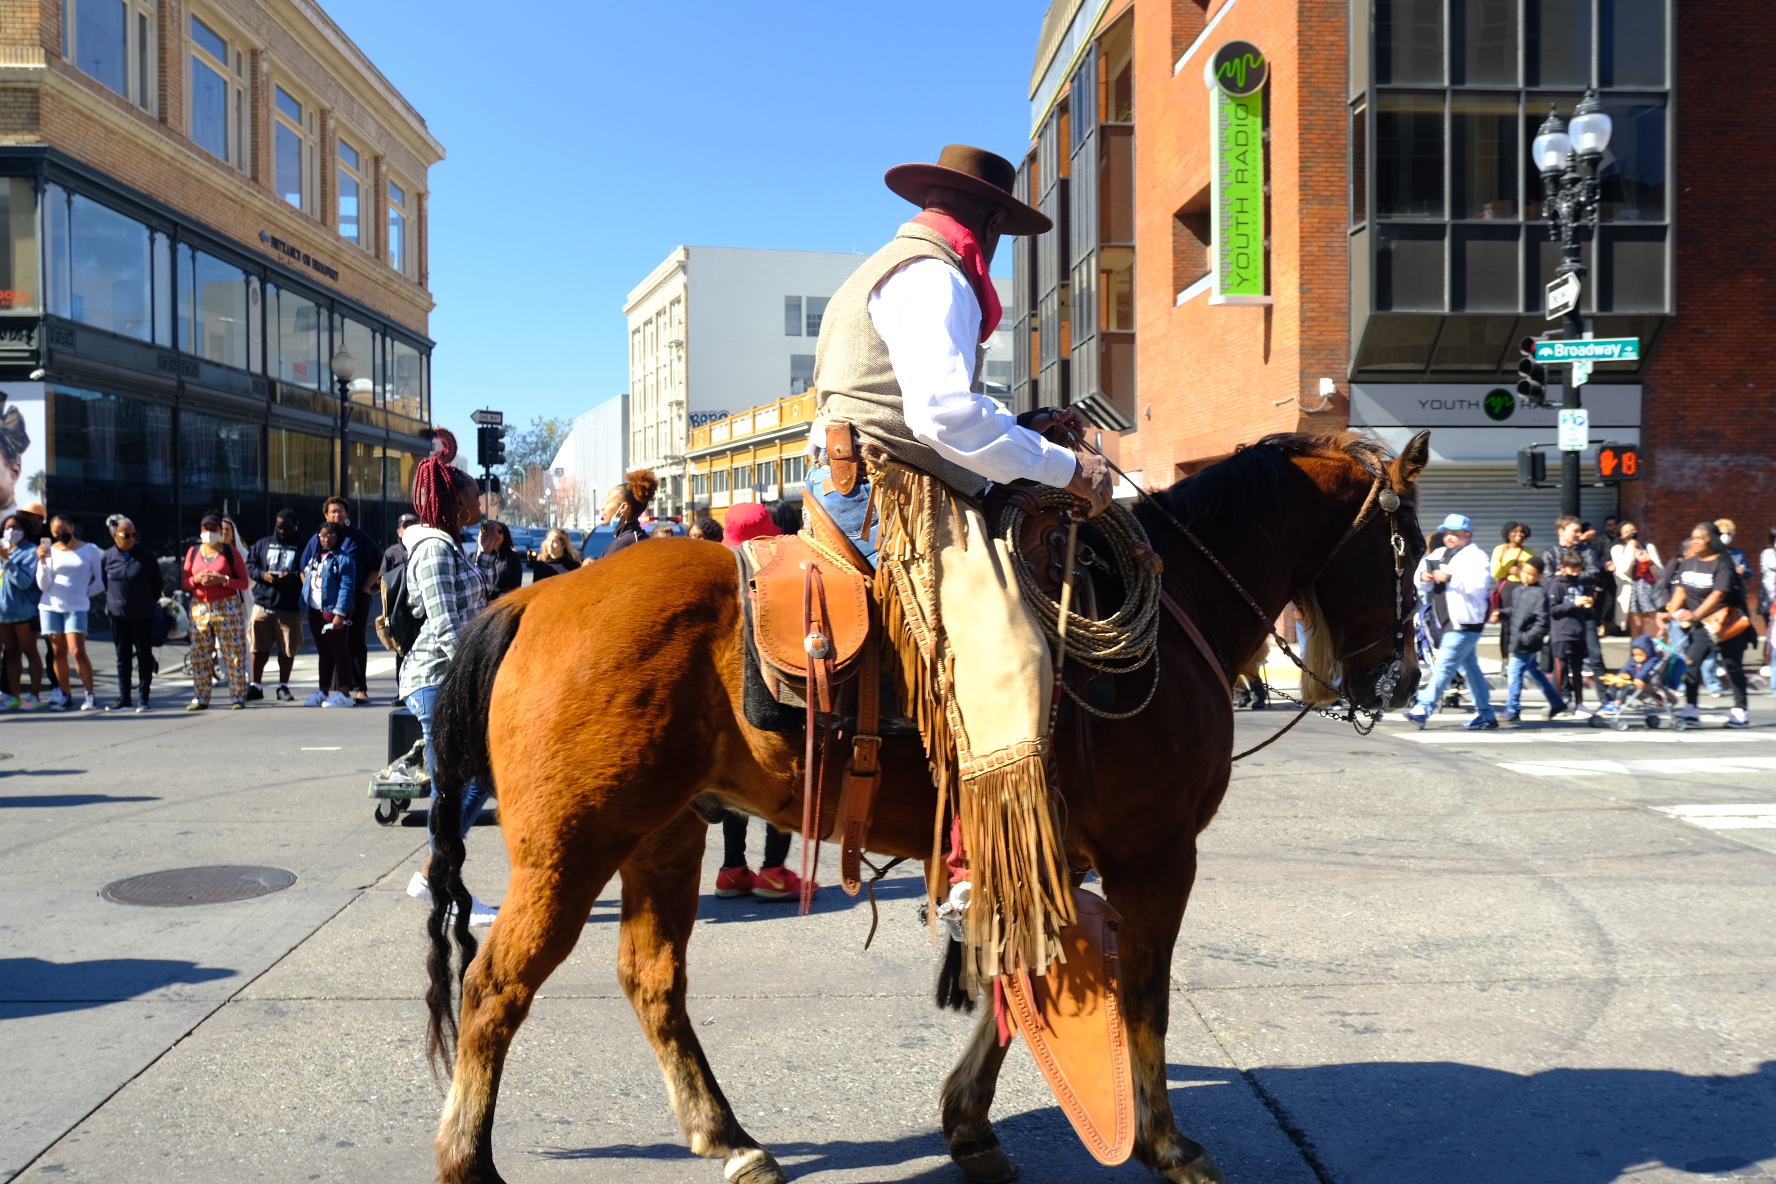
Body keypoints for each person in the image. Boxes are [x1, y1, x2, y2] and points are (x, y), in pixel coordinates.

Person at [806, 144, 1119, 978]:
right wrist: (1064, 468)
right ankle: (975, 878)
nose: (1001, 249)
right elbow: (942, 414)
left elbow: (942, 408)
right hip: (892, 485)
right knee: (1008, 652)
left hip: (860, 468)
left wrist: (1020, 426)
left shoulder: (891, 265)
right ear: (984, 221)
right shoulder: (934, 274)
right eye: (1002, 232)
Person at [400, 428, 498, 924]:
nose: (481, 500)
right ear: (455, 500)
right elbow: (444, 627)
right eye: (474, 494)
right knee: (453, 789)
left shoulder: (451, 545)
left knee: (478, 780)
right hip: (437, 680)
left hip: (451, 679)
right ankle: (445, 893)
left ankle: (431, 877)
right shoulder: (434, 549)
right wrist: (479, 681)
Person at [705, 502, 807, 899]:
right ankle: (774, 872)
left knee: (736, 787)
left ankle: (732, 870)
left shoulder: (720, 579)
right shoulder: (779, 577)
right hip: (771, 690)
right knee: (779, 777)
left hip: (726, 700)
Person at [1404, 514, 1497, 729]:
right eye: (1447, 532)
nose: (1450, 537)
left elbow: (1480, 585)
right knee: (1471, 670)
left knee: (1444, 666)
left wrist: (1450, 578)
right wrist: (1424, 578)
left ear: (1467, 534)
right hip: (1445, 621)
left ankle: (1423, 708)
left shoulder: (1477, 556)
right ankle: (1486, 714)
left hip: (1465, 622)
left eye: (1455, 533)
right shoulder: (1438, 553)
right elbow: (1420, 580)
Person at [1665, 521, 1751, 728]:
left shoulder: (1722, 564)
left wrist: (1695, 614)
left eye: (1699, 538)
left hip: (1726, 625)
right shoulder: (1688, 563)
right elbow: (1681, 591)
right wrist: (1668, 613)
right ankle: (1692, 709)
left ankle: (1741, 711)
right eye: (1693, 538)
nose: (1694, 542)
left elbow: (1718, 594)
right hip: (1702, 626)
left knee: (1732, 666)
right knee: (1692, 662)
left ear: (1711, 541)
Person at [298, 497, 380, 705]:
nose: (337, 515)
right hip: (321, 605)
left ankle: (357, 689)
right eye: (333, 512)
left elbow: (378, 563)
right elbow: (303, 569)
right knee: (327, 649)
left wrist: (365, 587)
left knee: (353, 644)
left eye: (341, 511)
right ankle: (327, 690)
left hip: (351, 602)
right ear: (326, 515)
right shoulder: (316, 544)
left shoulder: (356, 539)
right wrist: (312, 594)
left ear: (347, 514)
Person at [35, 513, 105, 711]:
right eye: (56, 532)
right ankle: (65, 695)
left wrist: (83, 595)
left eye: (64, 531)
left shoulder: (89, 550)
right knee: (58, 652)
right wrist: (42, 562)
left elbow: (99, 582)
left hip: (76, 607)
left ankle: (89, 694)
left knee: (77, 650)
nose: (61, 535)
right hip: (49, 607)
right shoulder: (49, 551)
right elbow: (43, 585)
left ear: (72, 528)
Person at [181, 513, 250, 711]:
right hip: (200, 607)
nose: (210, 533)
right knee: (200, 654)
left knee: (233, 653)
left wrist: (224, 580)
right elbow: (186, 581)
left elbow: (244, 583)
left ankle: (237, 696)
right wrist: (197, 580)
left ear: (220, 531)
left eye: (213, 529)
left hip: (226, 605)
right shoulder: (193, 552)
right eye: (206, 529)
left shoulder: (230, 552)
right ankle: (201, 697)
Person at [100, 514, 160, 712]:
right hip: (118, 615)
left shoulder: (146, 556)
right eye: (127, 535)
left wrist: (147, 601)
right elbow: (105, 581)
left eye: (134, 534)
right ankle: (124, 697)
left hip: (142, 613)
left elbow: (157, 584)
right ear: (114, 535)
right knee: (122, 657)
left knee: (144, 656)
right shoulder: (107, 557)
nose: (132, 538)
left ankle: (144, 697)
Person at [247, 511, 306, 701]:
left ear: (295, 525)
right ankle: (255, 685)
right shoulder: (263, 544)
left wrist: (293, 576)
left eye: (286, 527)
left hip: (289, 606)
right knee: (258, 646)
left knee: (287, 648)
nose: (282, 531)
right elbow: (250, 565)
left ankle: (283, 686)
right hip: (263, 603)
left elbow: (309, 569)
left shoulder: (303, 545)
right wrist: (263, 575)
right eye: (279, 527)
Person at [1501, 555, 1566, 722]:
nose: (1526, 576)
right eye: (1525, 572)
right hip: (1518, 640)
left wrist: (1526, 638)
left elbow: (1542, 622)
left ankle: (1513, 708)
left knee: (1514, 673)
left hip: (1526, 642)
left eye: (1531, 574)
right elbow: (1515, 612)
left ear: (1540, 576)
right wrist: (1501, 613)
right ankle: (1557, 702)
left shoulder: (1540, 594)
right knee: (1535, 674)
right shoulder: (1518, 590)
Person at [301, 521, 358, 708]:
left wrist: (339, 613)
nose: (326, 540)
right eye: (322, 536)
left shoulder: (344, 559)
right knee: (323, 651)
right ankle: (323, 691)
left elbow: (347, 587)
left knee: (339, 650)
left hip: (332, 610)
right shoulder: (316, 557)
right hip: (315, 609)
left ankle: (344, 693)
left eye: (330, 536)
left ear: (338, 537)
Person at [1541, 516, 1604, 674]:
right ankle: (1559, 694)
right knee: (1559, 659)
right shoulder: (1550, 553)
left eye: (1580, 531)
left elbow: (1594, 572)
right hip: (1561, 612)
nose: (1579, 534)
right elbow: (1548, 582)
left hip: (1584, 610)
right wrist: (1570, 578)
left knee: (1595, 655)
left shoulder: (1587, 550)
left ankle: (1605, 697)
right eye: (1575, 531)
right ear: (1561, 531)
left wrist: (1566, 577)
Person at [0, 505, 45, 709]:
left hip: (24, 612)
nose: (10, 532)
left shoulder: (31, 552)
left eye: (14, 527)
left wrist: (7, 560)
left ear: (24, 530)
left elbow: (25, 581)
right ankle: (14, 695)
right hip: (4, 612)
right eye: (6, 528)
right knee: (11, 654)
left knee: (30, 652)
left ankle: (34, 696)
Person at [1545, 549, 1596, 716]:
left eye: (1578, 569)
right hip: (1562, 633)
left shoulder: (1580, 584)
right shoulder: (1557, 584)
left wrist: (1588, 604)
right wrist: (1574, 604)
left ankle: (1579, 703)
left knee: (1577, 669)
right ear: (1563, 567)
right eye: (1572, 569)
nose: (1575, 573)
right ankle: (1557, 702)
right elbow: (1553, 609)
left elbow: (1586, 607)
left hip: (1578, 632)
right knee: (1560, 669)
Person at [1611, 522, 1664, 641]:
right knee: (1637, 628)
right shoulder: (1618, 549)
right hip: (1632, 591)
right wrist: (1631, 548)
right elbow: (1624, 569)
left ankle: (1658, 654)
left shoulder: (1648, 547)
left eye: (1633, 530)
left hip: (1651, 589)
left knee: (1659, 626)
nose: (1631, 533)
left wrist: (1651, 562)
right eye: (1627, 532)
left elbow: (1661, 572)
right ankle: (1636, 656)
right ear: (1621, 536)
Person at [598, 470, 658, 557]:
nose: (603, 508)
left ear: (623, 507)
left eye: (607, 502)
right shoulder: (633, 538)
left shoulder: (627, 543)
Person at [1596, 637, 1659, 716]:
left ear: (1648, 653)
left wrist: (1638, 678)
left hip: (1643, 682)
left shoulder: (1651, 661)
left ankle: (1618, 702)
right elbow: (1627, 667)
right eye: (1635, 655)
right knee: (1614, 684)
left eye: (1640, 655)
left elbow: (1645, 670)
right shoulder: (1634, 660)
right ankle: (1611, 702)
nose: (1636, 657)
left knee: (1626, 686)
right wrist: (1622, 674)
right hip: (1632, 680)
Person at [476, 520, 524, 598]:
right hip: (479, 603)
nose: (495, 534)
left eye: (499, 531)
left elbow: (515, 587)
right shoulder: (474, 556)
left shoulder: (512, 557)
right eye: (490, 530)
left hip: (502, 603)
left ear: (505, 535)